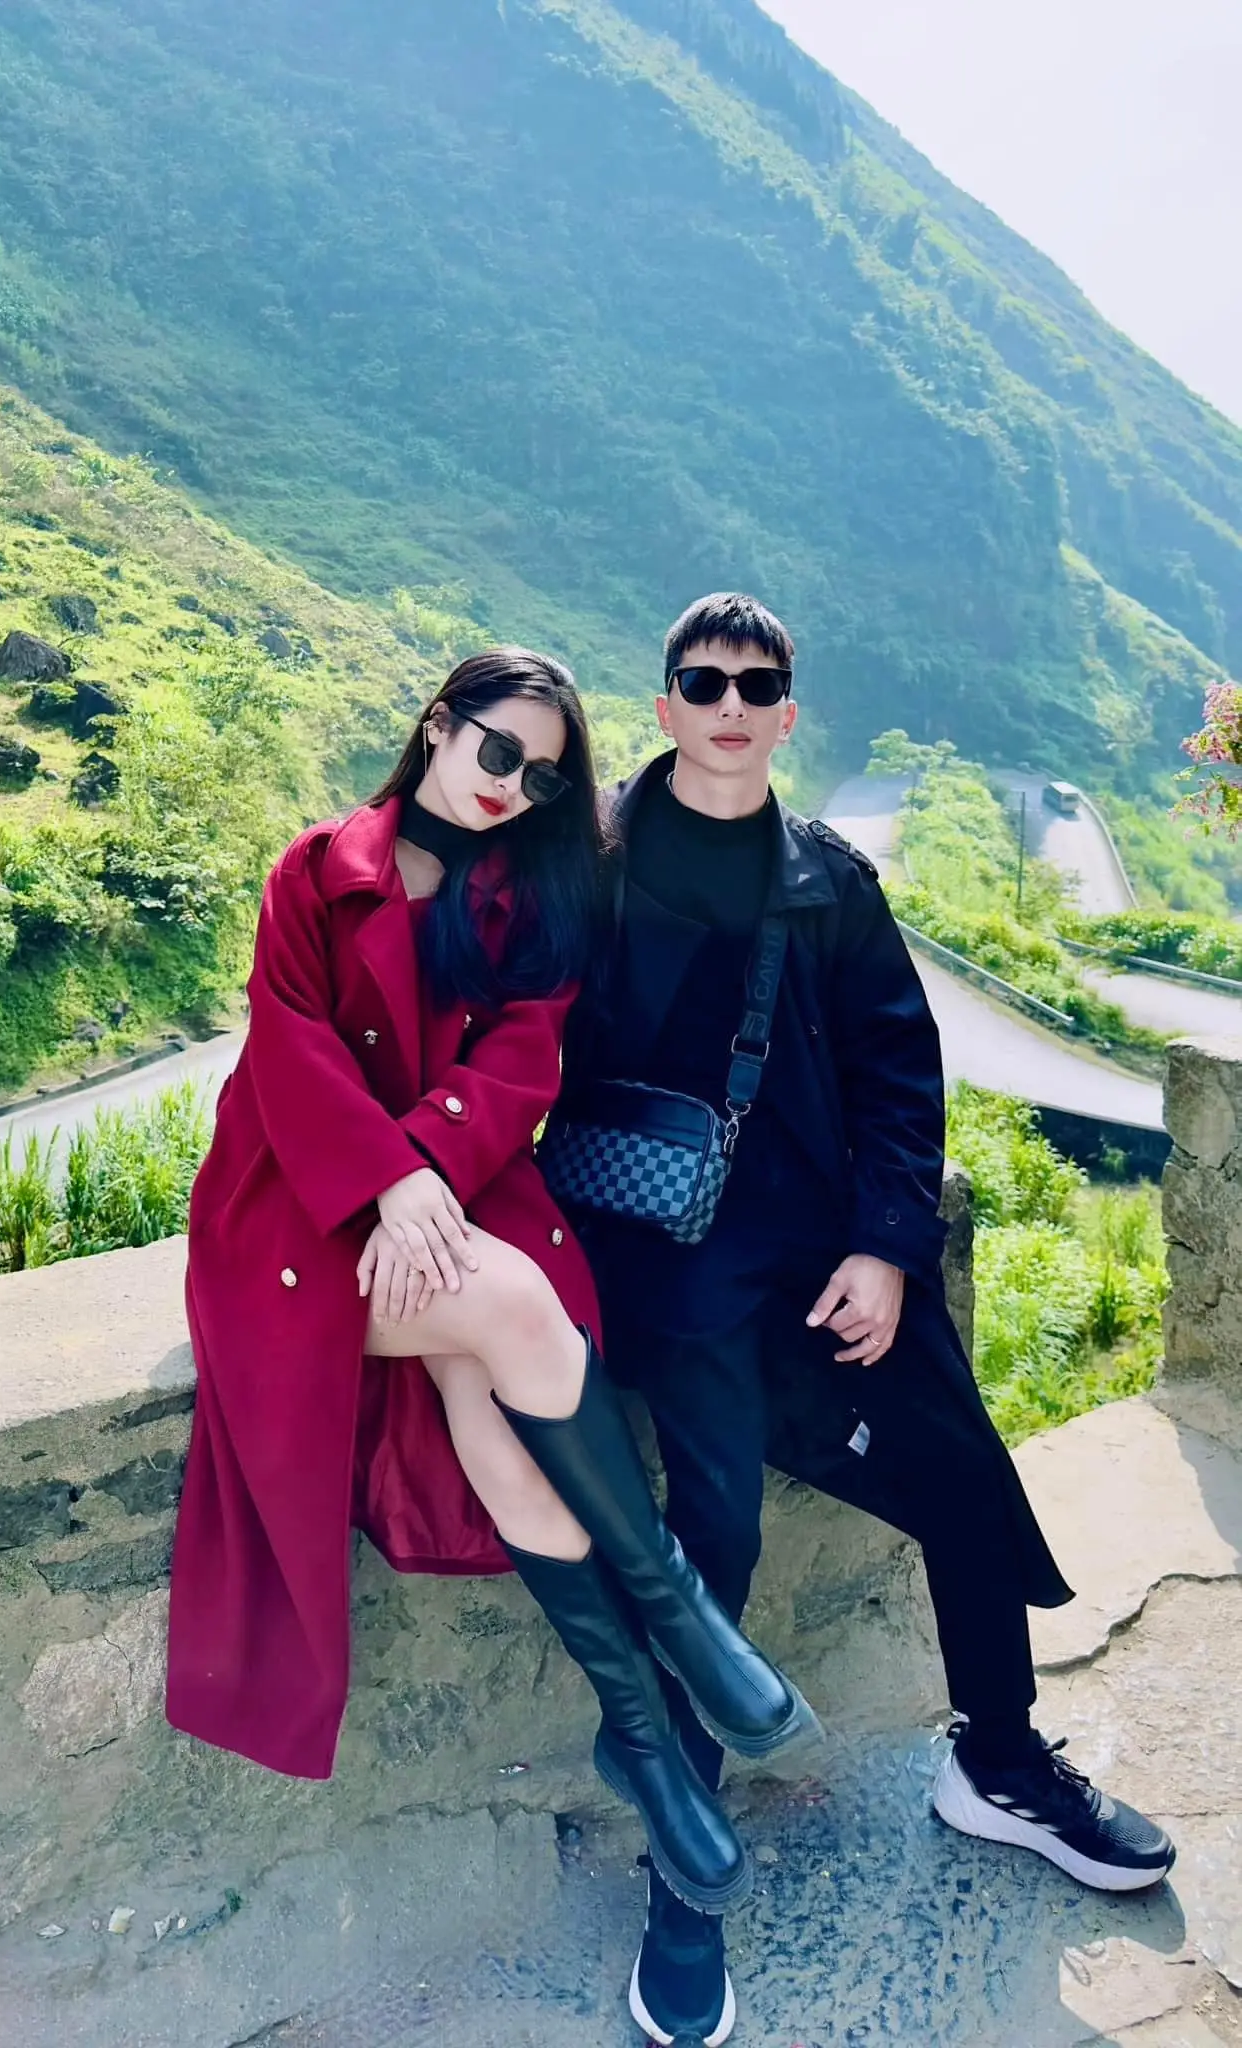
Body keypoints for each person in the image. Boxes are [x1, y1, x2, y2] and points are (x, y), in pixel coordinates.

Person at [559, 594, 1177, 2048]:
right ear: (663, 705)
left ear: (786, 714)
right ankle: (686, 1875)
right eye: (701, 680)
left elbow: (902, 1071)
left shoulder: (826, 878)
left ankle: (999, 1759)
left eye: (754, 684)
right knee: (714, 1543)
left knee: (962, 1469)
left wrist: (891, 1248)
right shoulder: (591, 861)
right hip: (671, 1271)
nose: (727, 704)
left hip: (826, 1253)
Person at [165, 646, 816, 1916]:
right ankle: (682, 1627)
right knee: (515, 1306)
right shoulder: (316, 868)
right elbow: (288, 1048)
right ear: (438, 725)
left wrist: (423, 1172)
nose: (510, 786)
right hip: (292, 1207)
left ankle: (641, 1733)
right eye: (498, 751)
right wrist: (388, 1177)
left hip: (445, 1192)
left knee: (493, 1388)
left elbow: (522, 1066)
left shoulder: (531, 900)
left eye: (543, 777)